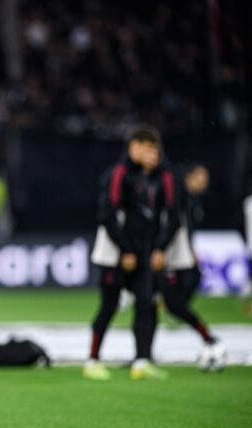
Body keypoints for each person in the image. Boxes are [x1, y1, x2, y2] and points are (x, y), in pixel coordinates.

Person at [86, 125, 179, 380]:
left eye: (155, 150)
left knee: (146, 304)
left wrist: (160, 248)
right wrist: (124, 250)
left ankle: (142, 360)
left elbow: (171, 216)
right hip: (116, 253)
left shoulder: (161, 177)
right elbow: (107, 214)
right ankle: (92, 360)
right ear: (133, 147)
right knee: (109, 305)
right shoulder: (119, 174)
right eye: (148, 149)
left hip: (146, 252)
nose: (153, 155)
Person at [161, 164, 226, 370]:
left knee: (176, 305)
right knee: (172, 305)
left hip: (181, 257)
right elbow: (173, 225)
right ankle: (208, 337)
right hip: (169, 257)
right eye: (200, 177)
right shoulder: (177, 195)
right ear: (189, 176)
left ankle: (207, 337)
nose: (204, 182)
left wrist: (190, 251)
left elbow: (185, 228)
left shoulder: (190, 200)